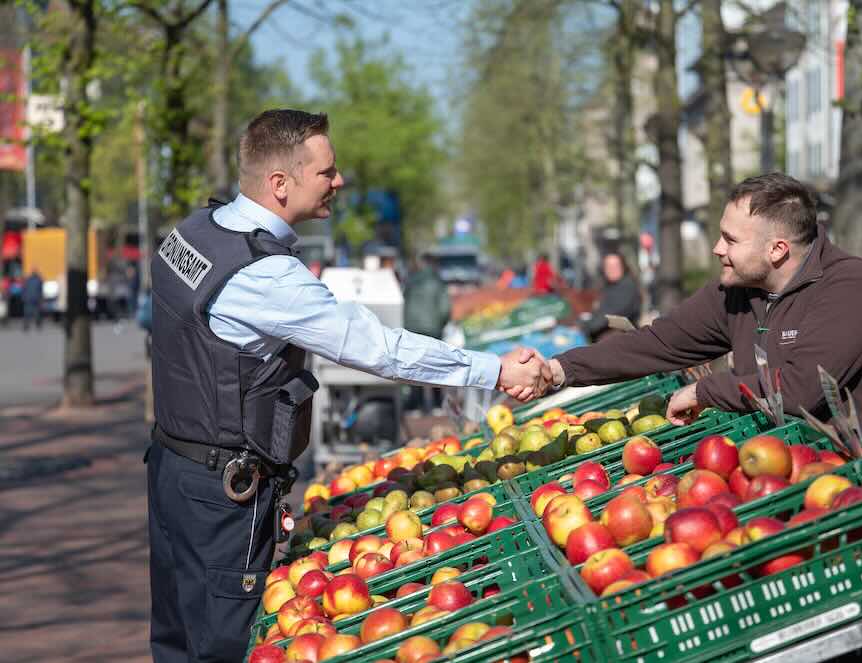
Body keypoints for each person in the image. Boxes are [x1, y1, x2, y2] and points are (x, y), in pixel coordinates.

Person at [145, 109, 550, 663]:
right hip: (222, 494)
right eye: (327, 172)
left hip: (170, 469)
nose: (339, 182)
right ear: (280, 184)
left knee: (174, 641)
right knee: (224, 646)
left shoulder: (191, 234)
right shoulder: (265, 275)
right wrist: (495, 370)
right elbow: (379, 350)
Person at [544, 173, 862, 663]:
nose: (718, 248)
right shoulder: (739, 291)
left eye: (731, 239)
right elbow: (660, 342)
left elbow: (803, 385)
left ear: (778, 249)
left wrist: (707, 389)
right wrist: (559, 370)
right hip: (781, 497)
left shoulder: (851, 288)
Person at [403, 252, 453, 412]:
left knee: (415, 365)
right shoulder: (438, 283)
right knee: (434, 364)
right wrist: (440, 324)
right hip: (433, 329)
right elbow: (445, 309)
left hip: (413, 328)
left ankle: (416, 403)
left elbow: (404, 303)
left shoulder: (412, 281)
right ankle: (437, 403)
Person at [580, 252, 642, 342]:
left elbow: (609, 315)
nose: (612, 269)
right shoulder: (607, 286)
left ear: (623, 267)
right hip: (607, 337)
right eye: (608, 266)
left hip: (621, 341)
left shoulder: (626, 287)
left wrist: (584, 327)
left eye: (615, 266)